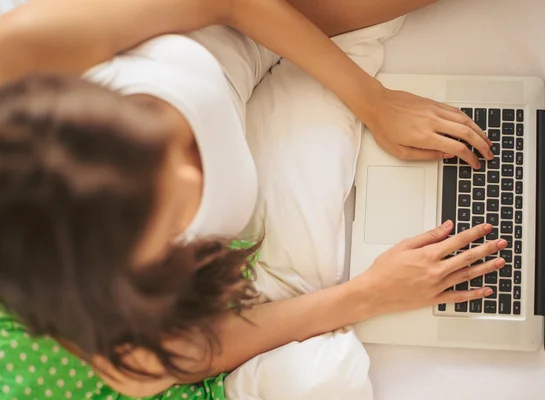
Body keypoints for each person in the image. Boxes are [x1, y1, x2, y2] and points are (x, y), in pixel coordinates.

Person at [0, 0, 506, 398]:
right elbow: (204, 347)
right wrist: (371, 293)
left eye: (150, 140)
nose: (189, 173)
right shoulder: (125, 349)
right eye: (169, 216)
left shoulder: (18, 54)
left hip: (222, 21)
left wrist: (373, 101)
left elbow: (231, 4)